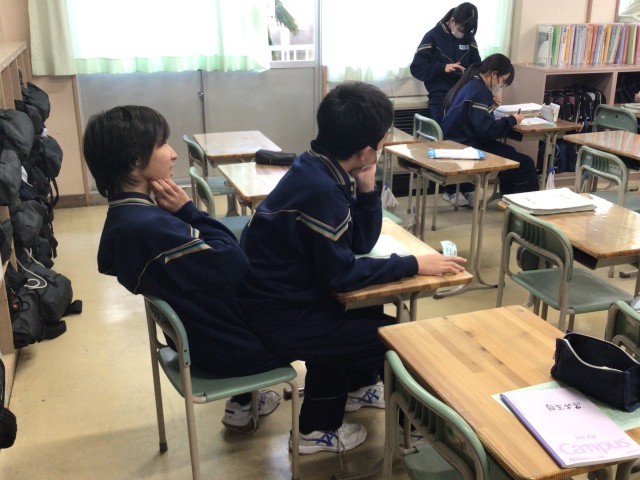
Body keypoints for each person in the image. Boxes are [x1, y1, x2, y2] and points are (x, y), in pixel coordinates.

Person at [238, 82, 467, 454]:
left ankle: (355, 390)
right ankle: (322, 431)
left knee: (365, 312)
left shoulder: (318, 165)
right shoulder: (321, 188)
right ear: (365, 151)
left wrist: (366, 187)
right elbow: (341, 276)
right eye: (383, 139)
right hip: (277, 316)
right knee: (396, 339)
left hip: (280, 299)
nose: (384, 143)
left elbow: (359, 244)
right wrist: (413, 263)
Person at [82, 105, 289, 433]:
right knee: (336, 322)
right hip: (234, 350)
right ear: (135, 161)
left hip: (202, 340)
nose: (173, 153)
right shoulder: (151, 227)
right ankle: (323, 422)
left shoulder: (123, 219)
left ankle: (244, 402)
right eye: (162, 144)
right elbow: (234, 264)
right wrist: (189, 211)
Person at [410, 2, 481, 206]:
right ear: (452, 20)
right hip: (440, 97)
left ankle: (466, 186)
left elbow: (477, 65)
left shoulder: (469, 38)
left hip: (463, 94)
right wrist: (443, 68)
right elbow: (417, 68)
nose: (462, 32)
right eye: (460, 28)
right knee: (449, 139)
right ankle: (449, 189)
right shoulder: (433, 36)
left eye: (466, 30)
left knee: (469, 138)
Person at [440, 53, 540, 196]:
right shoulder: (481, 92)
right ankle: (521, 202)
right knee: (525, 163)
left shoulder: (471, 84)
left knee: (510, 152)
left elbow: (476, 119)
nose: (500, 85)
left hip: (457, 141)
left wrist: (490, 105)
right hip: (465, 147)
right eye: (502, 81)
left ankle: (508, 197)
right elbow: (489, 130)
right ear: (494, 74)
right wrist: (512, 120)